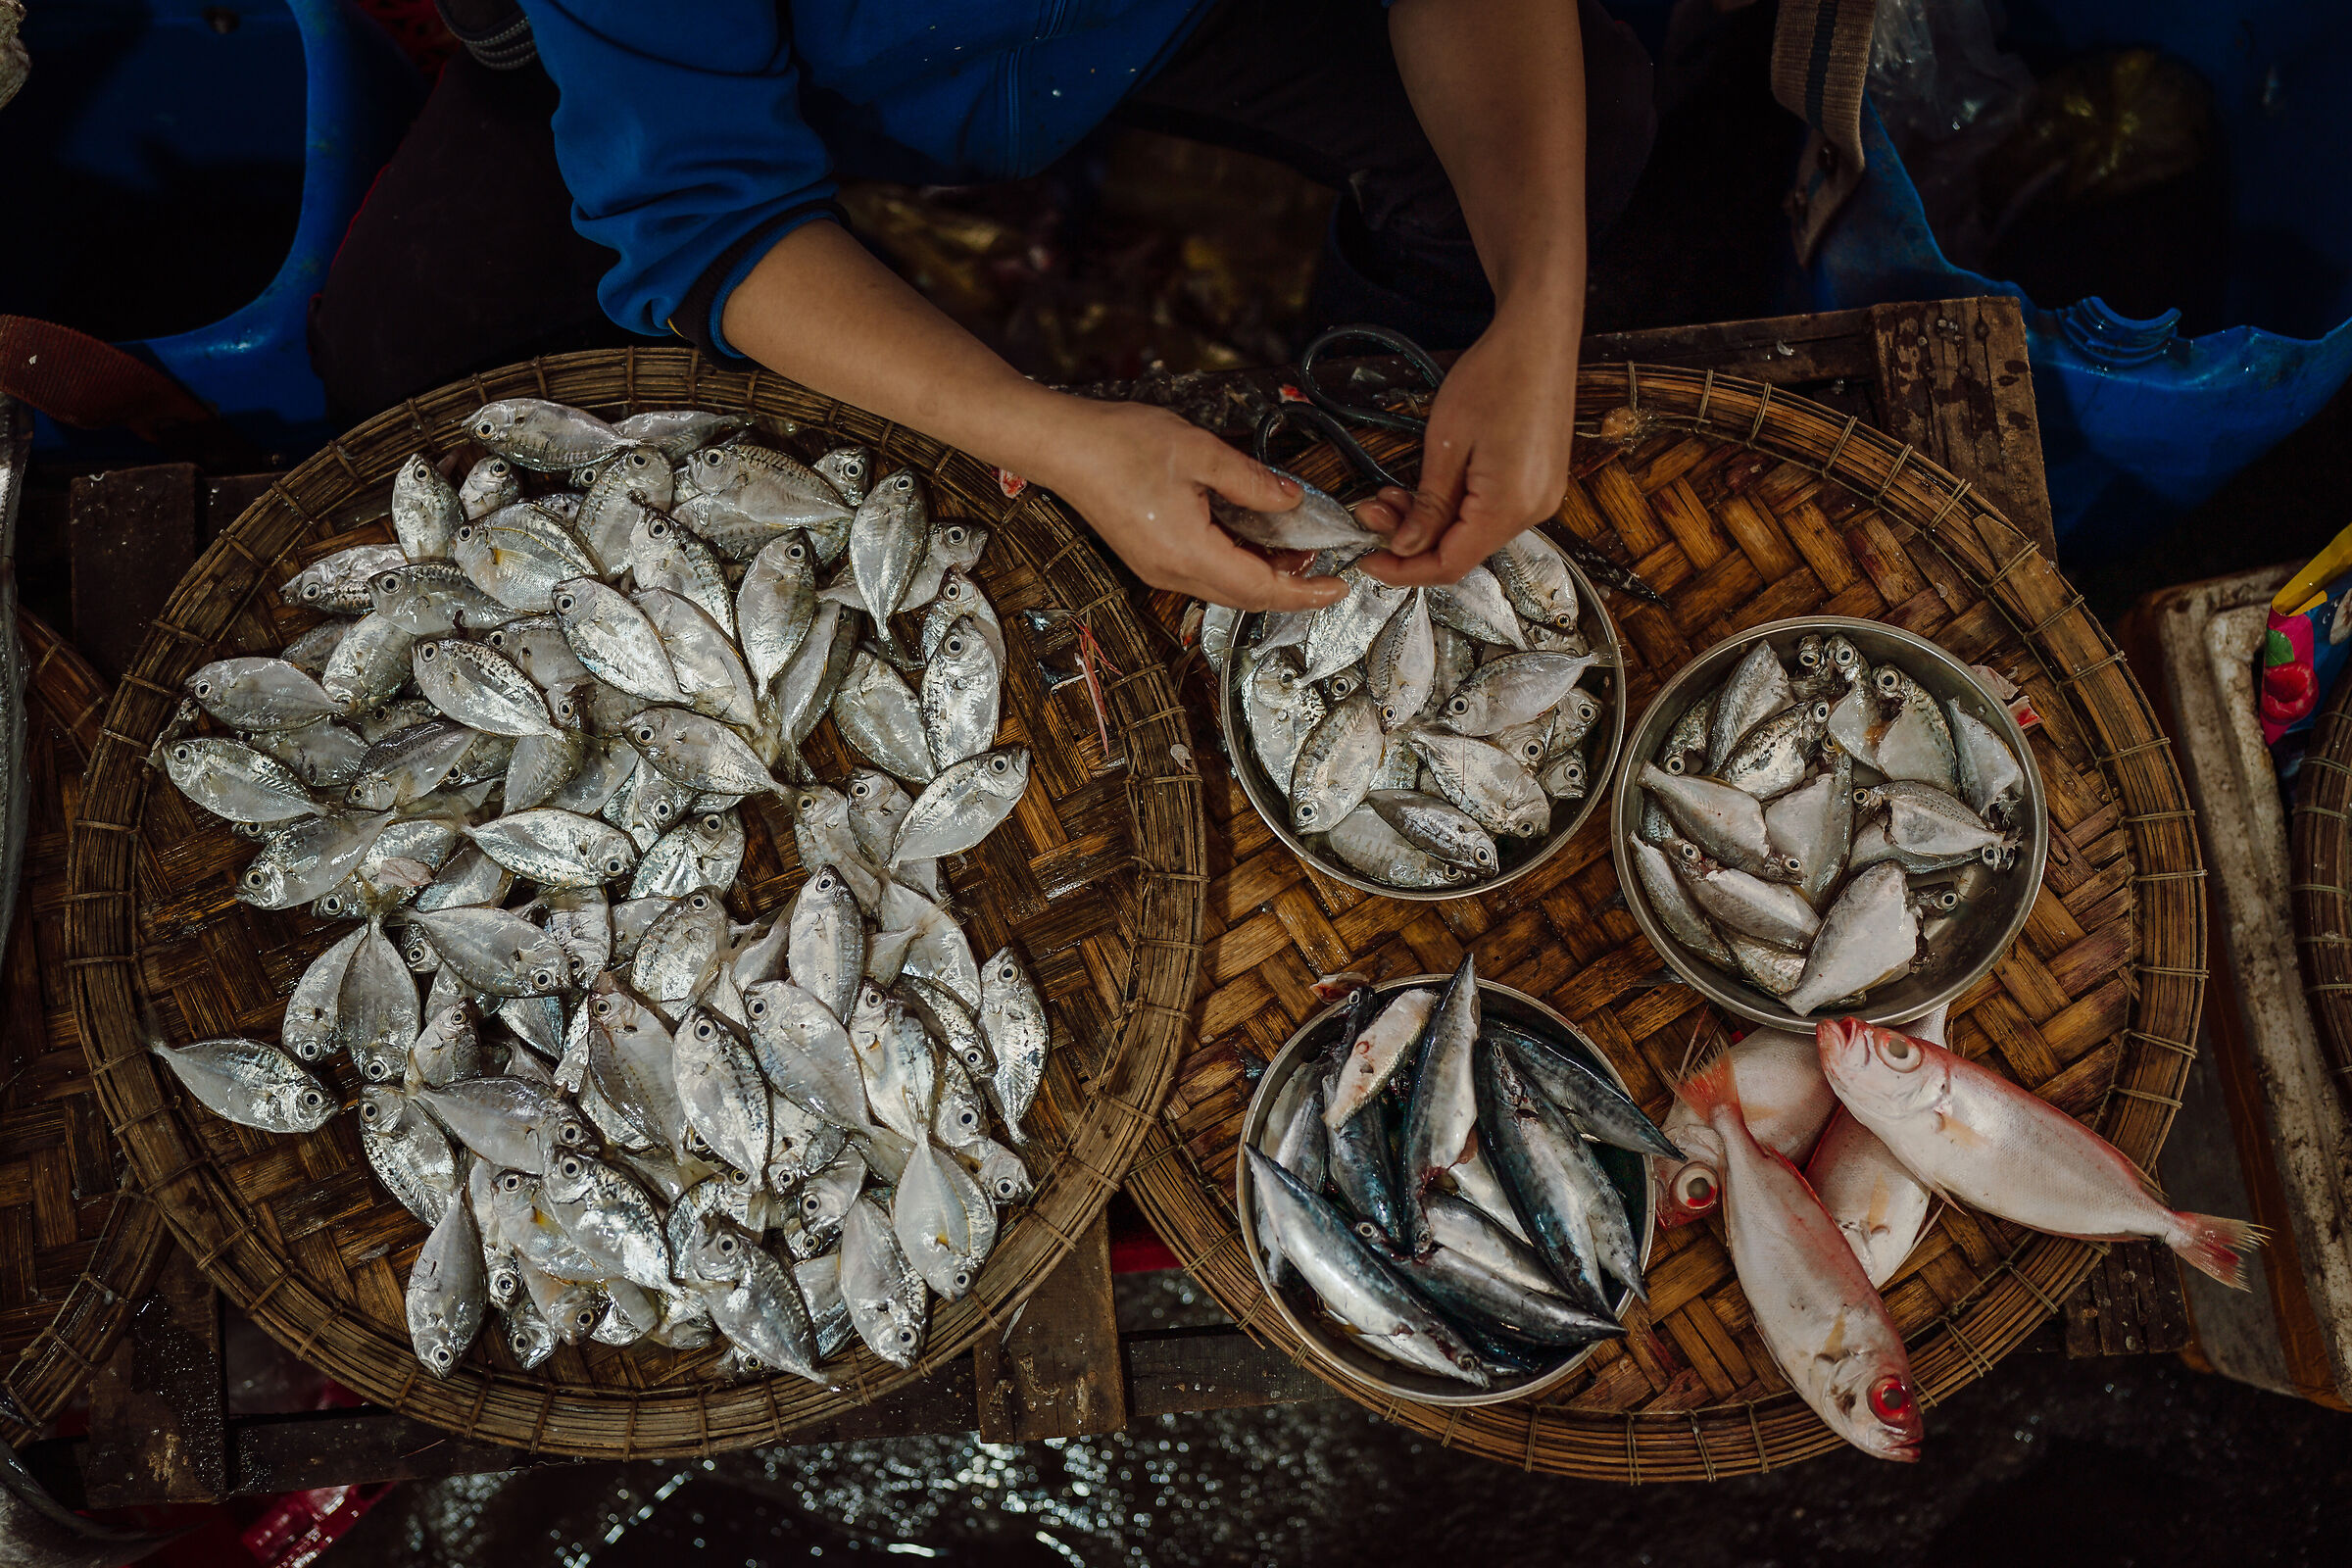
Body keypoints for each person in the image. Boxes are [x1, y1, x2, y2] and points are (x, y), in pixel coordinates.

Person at [312, 1, 1659, 610]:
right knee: (404, 348)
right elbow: (705, 208)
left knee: (1585, 122)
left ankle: (1339, 481)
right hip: (755, 66)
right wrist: (1043, 428)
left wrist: (1537, 309)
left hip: (1139, 31)